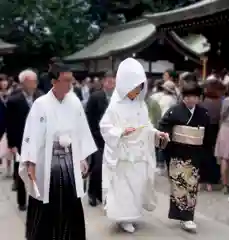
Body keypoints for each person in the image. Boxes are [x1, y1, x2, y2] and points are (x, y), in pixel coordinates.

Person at [19, 62, 97, 240]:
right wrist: (30, 163)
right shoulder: (41, 104)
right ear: (54, 81)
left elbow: (81, 131)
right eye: (66, 80)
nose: (70, 85)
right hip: (47, 162)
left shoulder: (75, 101)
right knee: (45, 204)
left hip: (69, 160)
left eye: (71, 80)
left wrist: (83, 158)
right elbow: (32, 134)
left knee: (71, 204)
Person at [100, 58, 169, 233]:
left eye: (139, 88)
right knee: (124, 189)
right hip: (123, 154)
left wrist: (156, 133)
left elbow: (147, 126)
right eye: (133, 88)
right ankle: (123, 218)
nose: (136, 92)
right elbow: (105, 127)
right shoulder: (115, 106)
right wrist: (121, 132)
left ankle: (132, 215)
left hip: (139, 153)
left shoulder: (141, 106)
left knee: (137, 187)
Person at [159, 82, 209, 232]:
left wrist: (206, 153)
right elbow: (163, 126)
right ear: (183, 97)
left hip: (195, 154)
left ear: (199, 98)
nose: (191, 100)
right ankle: (183, 217)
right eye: (187, 96)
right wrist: (166, 135)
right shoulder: (174, 111)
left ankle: (187, 217)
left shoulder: (204, 113)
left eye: (194, 96)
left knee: (192, 186)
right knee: (179, 185)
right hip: (177, 153)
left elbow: (208, 136)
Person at [6, 69, 43, 210]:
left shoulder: (41, 97)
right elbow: (10, 124)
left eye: (35, 81)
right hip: (21, 140)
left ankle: (38, 196)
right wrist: (12, 144)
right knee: (22, 170)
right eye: (32, 81)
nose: (35, 83)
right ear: (24, 83)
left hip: (39, 139)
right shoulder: (14, 101)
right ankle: (22, 200)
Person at [86, 71, 115, 206]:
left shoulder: (117, 98)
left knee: (108, 168)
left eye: (113, 82)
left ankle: (100, 192)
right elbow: (89, 117)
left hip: (112, 138)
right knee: (97, 166)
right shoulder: (95, 97)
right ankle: (92, 193)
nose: (111, 84)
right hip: (97, 137)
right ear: (103, 82)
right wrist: (92, 134)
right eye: (109, 81)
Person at [199, 79, 224, 191]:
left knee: (202, 154)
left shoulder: (203, 102)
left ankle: (201, 179)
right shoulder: (221, 102)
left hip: (202, 129)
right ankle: (212, 179)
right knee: (214, 156)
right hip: (216, 129)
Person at [215, 95, 229, 194]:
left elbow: (222, 115)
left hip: (226, 128)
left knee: (225, 157)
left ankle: (225, 184)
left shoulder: (227, 101)